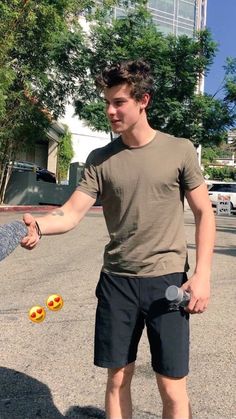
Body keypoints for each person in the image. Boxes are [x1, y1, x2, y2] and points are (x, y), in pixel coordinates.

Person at [21, 59, 215, 419]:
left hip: (168, 281)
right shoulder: (100, 160)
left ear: (144, 101)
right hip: (117, 283)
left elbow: (205, 213)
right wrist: (37, 227)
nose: (110, 111)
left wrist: (202, 274)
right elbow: (71, 212)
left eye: (119, 102)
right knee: (117, 379)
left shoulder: (179, 150)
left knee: (172, 385)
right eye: (107, 102)